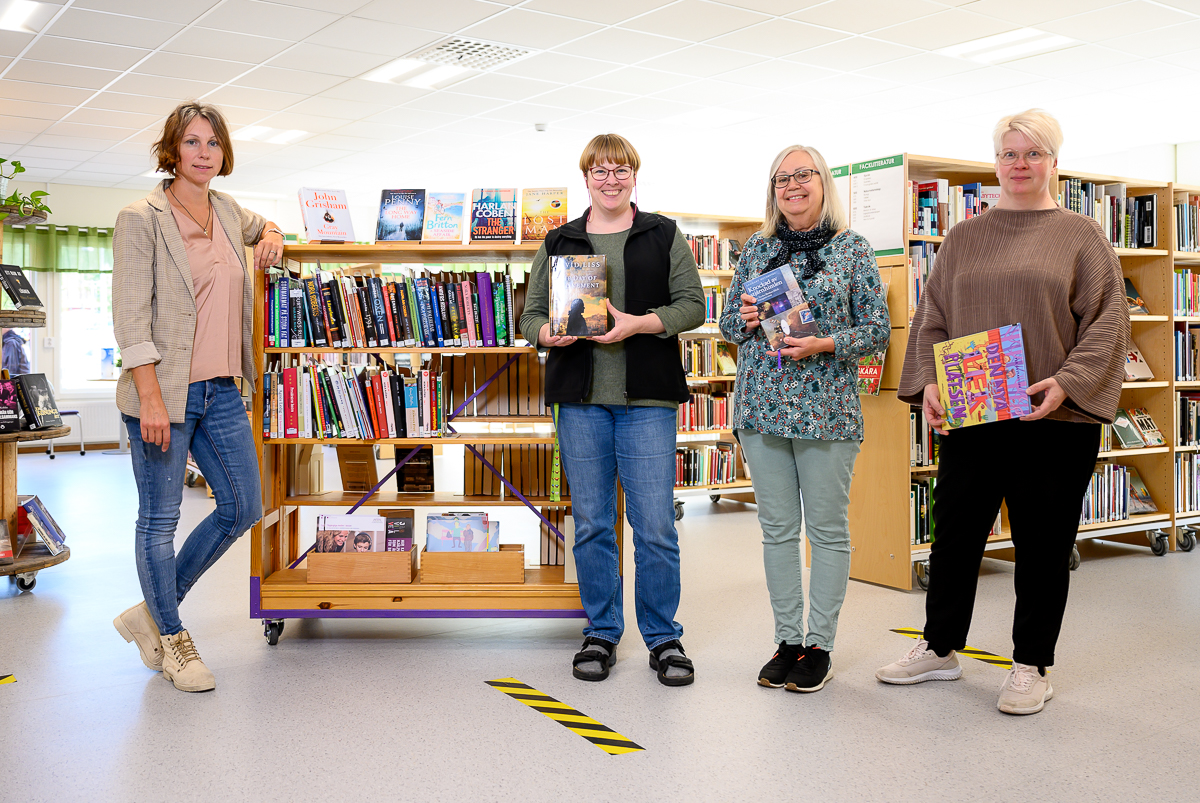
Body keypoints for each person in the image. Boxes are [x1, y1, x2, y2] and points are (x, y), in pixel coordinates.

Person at [875, 109, 1127, 715]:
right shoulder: (963, 237)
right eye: (1010, 154)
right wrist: (931, 380)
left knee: (1043, 545)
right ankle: (939, 649)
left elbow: (1108, 321)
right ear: (996, 164)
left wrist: (1067, 384)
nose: (1020, 165)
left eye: (1033, 154)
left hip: (1052, 422)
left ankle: (1032, 664)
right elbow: (934, 314)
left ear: (1054, 163)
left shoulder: (1080, 236)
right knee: (954, 538)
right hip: (974, 416)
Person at [111, 101, 286, 693]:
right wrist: (151, 398)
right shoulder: (142, 216)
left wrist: (276, 233)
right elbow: (130, 318)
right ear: (172, 150)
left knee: (244, 505)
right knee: (159, 520)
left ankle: (151, 615)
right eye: (192, 141)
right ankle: (175, 640)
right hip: (164, 391)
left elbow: (264, 226)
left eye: (213, 142)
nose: (203, 151)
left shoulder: (229, 209)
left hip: (223, 389)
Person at [520, 133, 705, 686]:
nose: (610, 178)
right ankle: (601, 631)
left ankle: (663, 636)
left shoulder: (663, 234)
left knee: (653, 525)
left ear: (633, 175)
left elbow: (692, 305)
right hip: (580, 402)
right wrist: (549, 333)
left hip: (647, 398)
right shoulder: (559, 242)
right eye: (599, 170)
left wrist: (639, 323)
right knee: (594, 523)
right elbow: (528, 317)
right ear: (585, 178)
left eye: (619, 169)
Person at [719, 145, 889, 694]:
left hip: (826, 412)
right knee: (776, 532)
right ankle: (787, 640)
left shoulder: (852, 249)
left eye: (803, 175)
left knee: (827, 531)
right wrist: (744, 317)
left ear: (823, 182)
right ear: (772, 189)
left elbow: (877, 331)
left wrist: (827, 342)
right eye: (781, 178)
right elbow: (725, 325)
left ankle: (820, 645)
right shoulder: (757, 250)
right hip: (762, 410)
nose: (792, 185)